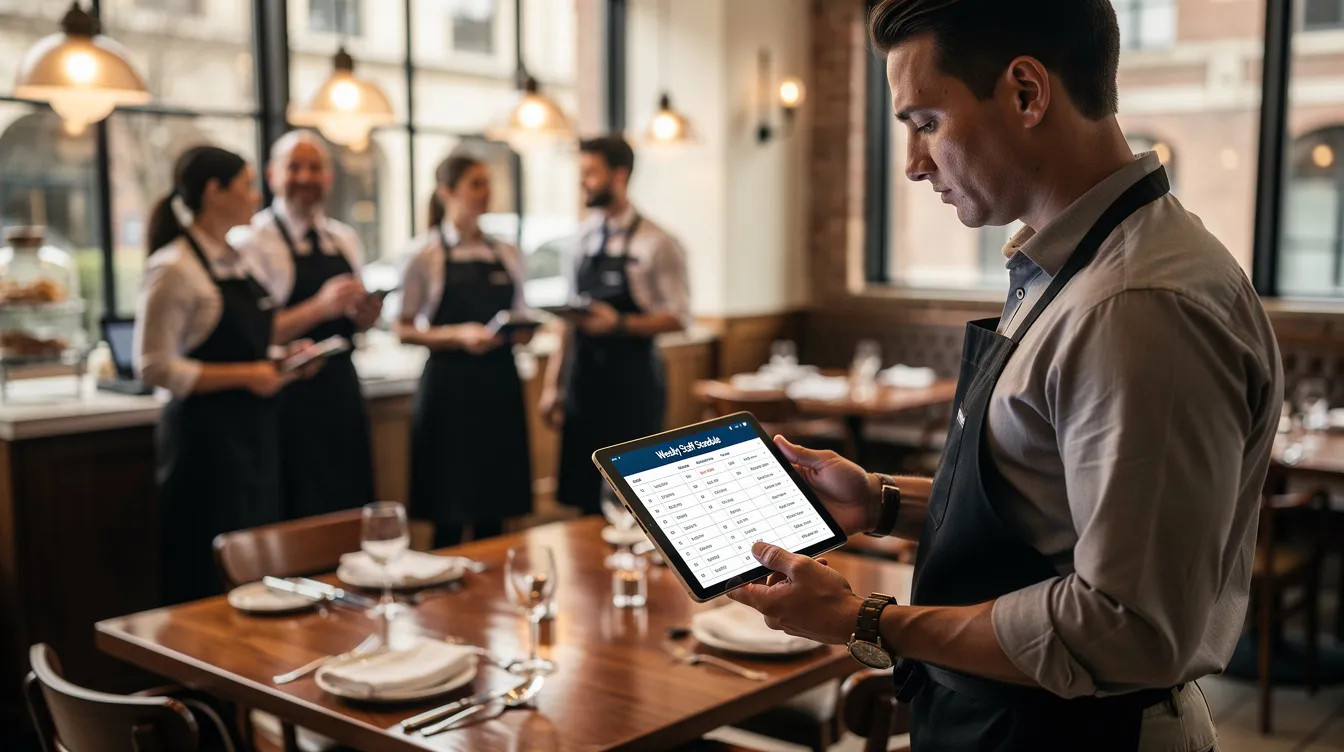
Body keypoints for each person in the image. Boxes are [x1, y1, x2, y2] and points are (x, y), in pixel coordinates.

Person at [726, 2, 1282, 750]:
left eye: (926, 122)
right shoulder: (1072, 264)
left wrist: (866, 619)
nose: (914, 163)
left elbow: (1127, 628)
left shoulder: (1137, 304)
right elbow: (1046, 504)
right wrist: (882, 500)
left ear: (1026, 92)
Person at [135, 146, 308, 604]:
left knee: (257, 570)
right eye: (247, 185)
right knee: (206, 575)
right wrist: (247, 374)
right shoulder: (173, 267)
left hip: (253, 435)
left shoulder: (235, 259)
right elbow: (153, 365)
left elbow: (242, 341)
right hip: (204, 443)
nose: (256, 196)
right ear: (215, 191)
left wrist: (280, 358)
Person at [541, 135, 691, 516]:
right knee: (583, 497)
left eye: (591, 173)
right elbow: (568, 324)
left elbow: (679, 317)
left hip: (633, 384)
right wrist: (553, 385)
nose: (583, 182)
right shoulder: (580, 240)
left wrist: (619, 323)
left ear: (619, 176)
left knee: (637, 498)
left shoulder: (658, 243)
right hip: (583, 382)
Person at [396, 153, 532, 546]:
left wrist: (523, 331)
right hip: (449, 391)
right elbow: (402, 329)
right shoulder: (423, 254)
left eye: (487, 183)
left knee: (496, 510)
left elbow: (521, 312)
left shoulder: (506, 251)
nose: (486, 192)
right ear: (446, 192)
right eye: (476, 184)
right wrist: (459, 335)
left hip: (499, 386)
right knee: (449, 513)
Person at [243, 130, 379, 520]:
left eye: (315, 168)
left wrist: (365, 316)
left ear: (329, 177)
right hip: (286, 398)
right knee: (296, 511)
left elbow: (355, 321)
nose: (305, 177)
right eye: (295, 167)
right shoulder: (252, 242)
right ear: (272, 175)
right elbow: (253, 333)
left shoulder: (344, 238)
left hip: (341, 391)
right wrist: (320, 307)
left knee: (349, 509)